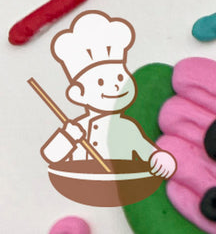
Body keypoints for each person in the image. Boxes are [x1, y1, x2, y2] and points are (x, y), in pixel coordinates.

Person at [40, 10, 176, 177]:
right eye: (101, 82)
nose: (114, 87)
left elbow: (146, 152)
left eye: (120, 78)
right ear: (78, 94)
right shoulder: (79, 128)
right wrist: (68, 137)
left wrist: (163, 159)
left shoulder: (127, 126)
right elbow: (51, 155)